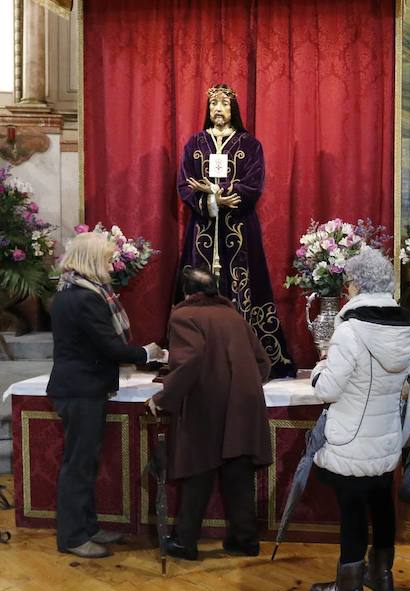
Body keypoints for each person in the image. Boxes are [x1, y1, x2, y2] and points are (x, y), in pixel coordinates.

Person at [308, 247, 410, 591]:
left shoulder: (350, 330)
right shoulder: (408, 324)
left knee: (353, 512)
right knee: (382, 504)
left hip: (352, 437)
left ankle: (349, 587)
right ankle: (381, 575)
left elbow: (328, 389)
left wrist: (319, 367)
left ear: (356, 285)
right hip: (386, 435)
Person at [47, 232, 163, 559]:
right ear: (92, 260)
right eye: (107, 259)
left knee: (84, 464)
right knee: (79, 466)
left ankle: (87, 527)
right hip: (81, 389)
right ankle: (73, 537)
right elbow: (109, 347)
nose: (112, 265)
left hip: (80, 388)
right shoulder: (86, 298)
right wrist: (148, 352)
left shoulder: (72, 292)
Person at [147, 267, 272, 561]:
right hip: (244, 403)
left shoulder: (184, 315)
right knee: (238, 471)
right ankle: (245, 541)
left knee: (198, 471)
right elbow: (263, 363)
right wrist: (241, 384)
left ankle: (185, 542)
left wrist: (164, 398)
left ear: (187, 292)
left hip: (207, 403)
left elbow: (189, 362)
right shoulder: (233, 315)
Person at [177, 82, 295, 378]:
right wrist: (211, 201)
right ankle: (200, 357)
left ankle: (243, 356)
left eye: (224, 104)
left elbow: (253, 184)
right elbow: (184, 184)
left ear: (234, 109)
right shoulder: (195, 144)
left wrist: (222, 193)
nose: (218, 109)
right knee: (200, 284)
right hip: (203, 228)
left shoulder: (249, 144)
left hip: (239, 228)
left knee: (243, 285)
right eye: (213, 104)